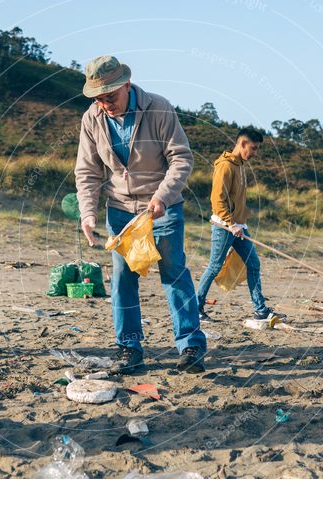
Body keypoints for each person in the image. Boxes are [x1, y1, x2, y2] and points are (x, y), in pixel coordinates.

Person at [74, 55, 207, 374]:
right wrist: (88, 214)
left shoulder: (159, 108)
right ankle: (129, 348)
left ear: (127, 85)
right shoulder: (92, 119)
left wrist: (163, 196)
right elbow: (88, 172)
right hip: (120, 211)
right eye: (99, 99)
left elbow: (181, 159)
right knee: (123, 279)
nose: (105, 104)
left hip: (162, 208)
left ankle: (190, 345)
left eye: (111, 97)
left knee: (174, 273)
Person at [195, 128, 283, 322]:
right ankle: (196, 308)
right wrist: (230, 223)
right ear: (242, 144)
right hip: (224, 227)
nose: (255, 153)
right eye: (253, 148)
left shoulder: (240, 165)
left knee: (253, 264)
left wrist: (239, 224)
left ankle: (260, 310)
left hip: (238, 226)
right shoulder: (225, 166)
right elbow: (217, 200)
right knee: (214, 266)